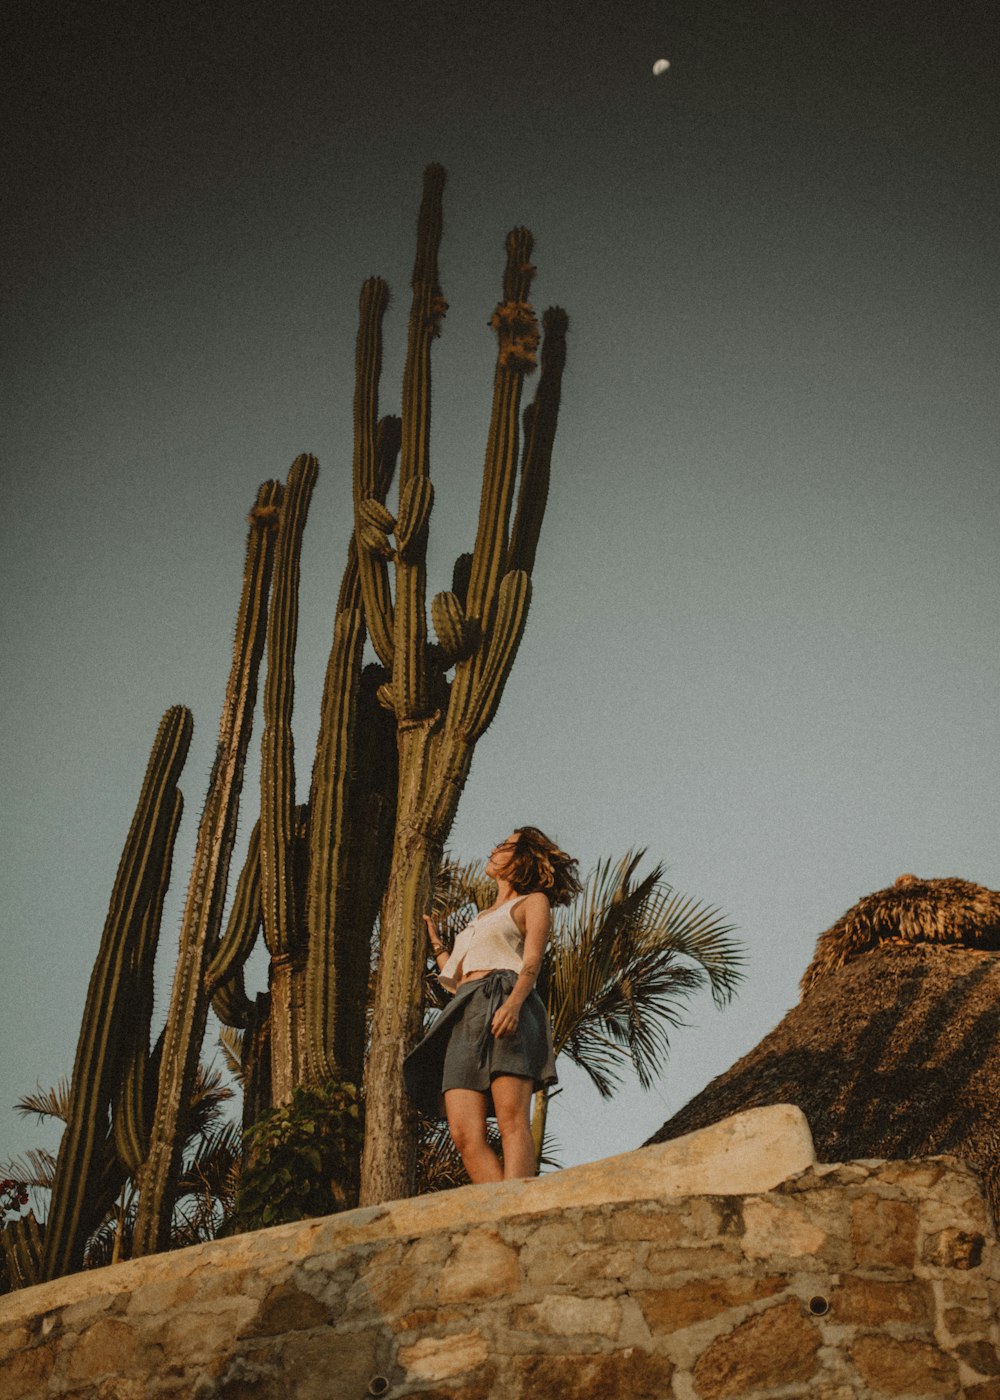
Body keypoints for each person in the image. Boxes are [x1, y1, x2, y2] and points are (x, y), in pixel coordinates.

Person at [403, 826, 581, 1182]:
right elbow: (459, 974)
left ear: (522, 859)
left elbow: (531, 962)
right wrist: (438, 944)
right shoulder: (480, 918)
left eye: (505, 845)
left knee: (511, 1120)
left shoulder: (532, 902)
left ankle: (517, 1213)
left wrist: (514, 1005)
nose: (494, 849)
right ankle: (499, 1208)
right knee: (463, 1132)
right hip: (465, 1011)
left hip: (506, 999)